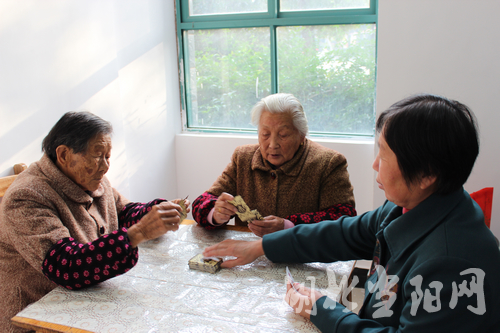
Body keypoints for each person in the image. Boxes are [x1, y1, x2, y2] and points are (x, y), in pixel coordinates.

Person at [203, 94, 500, 332]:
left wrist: (323, 309)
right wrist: (262, 246)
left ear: (425, 175)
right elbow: (344, 233)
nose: (374, 165)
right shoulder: (410, 205)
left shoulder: (451, 265)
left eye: (383, 154)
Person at [0, 112, 190, 333]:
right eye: (98, 156)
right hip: (37, 318)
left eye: (108, 156)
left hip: (86, 300)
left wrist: (154, 212)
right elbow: (66, 267)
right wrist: (138, 233)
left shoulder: (90, 179)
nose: (105, 166)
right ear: (63, 155)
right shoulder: (27, 197)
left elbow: (124, 212)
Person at [192, 93, 356, 237]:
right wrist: (216, 213)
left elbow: (344, 220)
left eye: (283, 135)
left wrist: (288, 226)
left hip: (304, 259)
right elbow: (200, 204)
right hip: (249, 260)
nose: (272, 144)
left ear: (301, 135)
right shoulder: (243, 158)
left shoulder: (328, 163)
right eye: (265, 134)